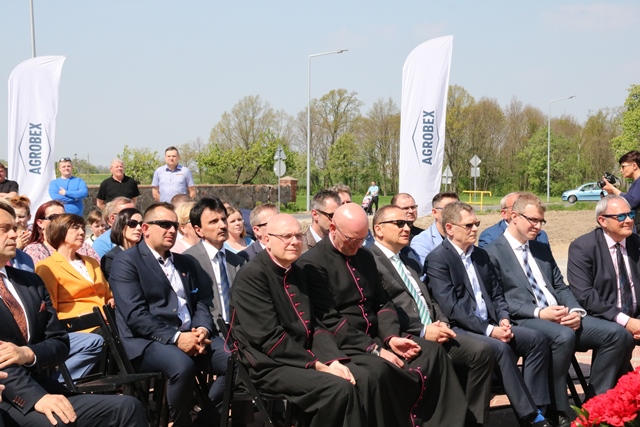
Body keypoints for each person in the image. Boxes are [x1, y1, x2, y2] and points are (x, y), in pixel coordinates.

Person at [230, 213, 418, 427]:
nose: (295, 242)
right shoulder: (252, 277)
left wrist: (332, 359)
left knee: (363, 376)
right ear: (266, 240)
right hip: (266, 364)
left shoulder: (296, 271)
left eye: (298, 236)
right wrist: (318, 365)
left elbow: (314, 325)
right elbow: (269, 339)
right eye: (286, 236)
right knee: (338, 389)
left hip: (301, 354)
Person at [299, 203, 469, 427]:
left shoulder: (365, 256)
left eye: (362, 239)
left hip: (379, 335)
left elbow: (383, 302)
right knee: (380, 371)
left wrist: (391, 337)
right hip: (346, 343)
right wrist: (375, 349)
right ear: (333, 228)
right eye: (352, 239)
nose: (358, 245)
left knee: (432, 353)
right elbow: (329, 320)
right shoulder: (312, 263)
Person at [484, 193, 633, 427]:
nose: (538, 226)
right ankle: (557, 409)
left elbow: (560, 285)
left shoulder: (540, 247)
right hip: (523, 318)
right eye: (532, 220)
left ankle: (595, 406)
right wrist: (539, 313)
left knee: (618, 334)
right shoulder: (491, 252)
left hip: (560, 315)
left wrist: (575, 311)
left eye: (541, 221)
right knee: (562, 336)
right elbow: (498, 299)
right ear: (514, 216)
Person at [0, 202, 146, 426]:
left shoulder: (29, 282)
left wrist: (28, 353)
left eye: (14, 228)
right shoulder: (45, 269)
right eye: (4, 229)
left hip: (44, 386)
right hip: (10, 396)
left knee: (128, 407)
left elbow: (59, 342)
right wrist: (35, 397)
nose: (14, 234)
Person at [426, 201, 552, 427]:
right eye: (469, 225)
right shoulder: (438, 259)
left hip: (492, 323)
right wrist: (490, 330)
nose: (475, 229)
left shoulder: (481, 255)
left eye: (476, 223)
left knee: (536, 339)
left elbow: (497, 294)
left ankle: (538, 406)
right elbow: (451, 307)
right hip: (460, 329)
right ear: (450, 228)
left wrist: (503, 318)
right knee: (501, 349)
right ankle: (531, 417)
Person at [370, 205, 495, 426]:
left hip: (436, 328)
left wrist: (442, 323)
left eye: (408, 224)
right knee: (440, 357)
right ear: (378, 229)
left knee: (482, 352)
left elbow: (429, 297)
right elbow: (383, 309)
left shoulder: (408, 259)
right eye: (399, 224)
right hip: (406, 336)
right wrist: (423, 331)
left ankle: (473, 422)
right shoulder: (371, 262)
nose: (407, 228)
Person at [109, 202, 228, 427]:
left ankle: (204, 422)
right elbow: (135, 315)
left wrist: (202, 330)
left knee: (235, 359)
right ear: (145, 229)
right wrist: (177, 338)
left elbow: (200, 302)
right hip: (146, 342)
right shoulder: (127, 262)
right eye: (164, 224)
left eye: (174, 225)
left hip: (191, 335)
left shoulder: (185, 262)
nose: (172, 230)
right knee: (182, 366)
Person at [34, 214, 111, 381]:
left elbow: (107, 294)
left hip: (107, 321)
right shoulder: (47, 267)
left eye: (82, 228)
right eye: (75, 228)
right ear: (60, 231)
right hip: (78, 327)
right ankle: (58, 382)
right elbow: (50, 310)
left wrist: (112, 301)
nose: (82, 232)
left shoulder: (91, 262)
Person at [568, 195, 640, 339]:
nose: (629, 220)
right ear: (602, 221)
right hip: (603, 317)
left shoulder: (637, 243)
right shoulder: (583, 247)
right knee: (618, 335)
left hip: (636, 316)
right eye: (621, 216)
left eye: (631, 214)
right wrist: (626, 321)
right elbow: (584, 294)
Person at [184, 197, 245, 323]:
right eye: (213, 222)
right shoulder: (189, 261)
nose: (222, 225)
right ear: (199, 230)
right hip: (206, 329)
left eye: (223, 219)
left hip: (238, 328)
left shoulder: (238, 261)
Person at [24, 201, 99, 264]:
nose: (60, 221)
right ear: (40, 223)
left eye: (63, 217)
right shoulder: (35, 250)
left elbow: (98, 268)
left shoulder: (82, 246)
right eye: (54, 217)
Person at [478, 192, 549, 248]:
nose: (538, 226)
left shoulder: (541, 236)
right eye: (515, 206)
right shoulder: (491, 236)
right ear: (504, 213)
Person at [411, 192, 460, 269]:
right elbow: (428, 273)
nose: (454, 214)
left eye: (458, 209)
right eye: (448, 209)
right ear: (434, 213)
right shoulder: (422, 242)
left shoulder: (463, 236)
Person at [601, 150, 640, 231]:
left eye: (623, 166)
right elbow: (628, 199)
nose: (621, 170)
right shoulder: (636, 183)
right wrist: (611, 192)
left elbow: (631, 202)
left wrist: (613, 189)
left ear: (634, 166)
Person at [100, 208, 143, 280]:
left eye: (141, 224)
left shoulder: (146, 254)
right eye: (132, 223)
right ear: (121, 226)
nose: (139, 228)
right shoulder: (110, 258)